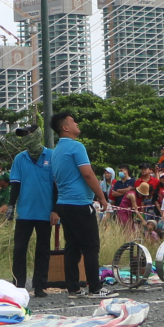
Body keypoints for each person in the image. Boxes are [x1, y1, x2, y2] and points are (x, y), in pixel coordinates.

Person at [46, 112, 107, 294]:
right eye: (73, 121)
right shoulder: (76, 147)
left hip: (64, 203)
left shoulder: (56, 151)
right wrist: (101, 196)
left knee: (72, 247)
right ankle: (94, 288)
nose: (77, 123)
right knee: (90, 246)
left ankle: (73, 289)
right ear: (65, 127)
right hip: (79, 203)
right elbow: (87, 173)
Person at [8, 138, 57, 293]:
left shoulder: (52, 156)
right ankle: (18, 285)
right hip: (24, 212)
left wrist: (56, 209)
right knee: (19, 249)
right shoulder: (20, 158)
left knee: (43, 250)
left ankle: (40, 285)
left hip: (45, 211)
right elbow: (15, 184)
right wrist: (11, 205)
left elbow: (57, 185)